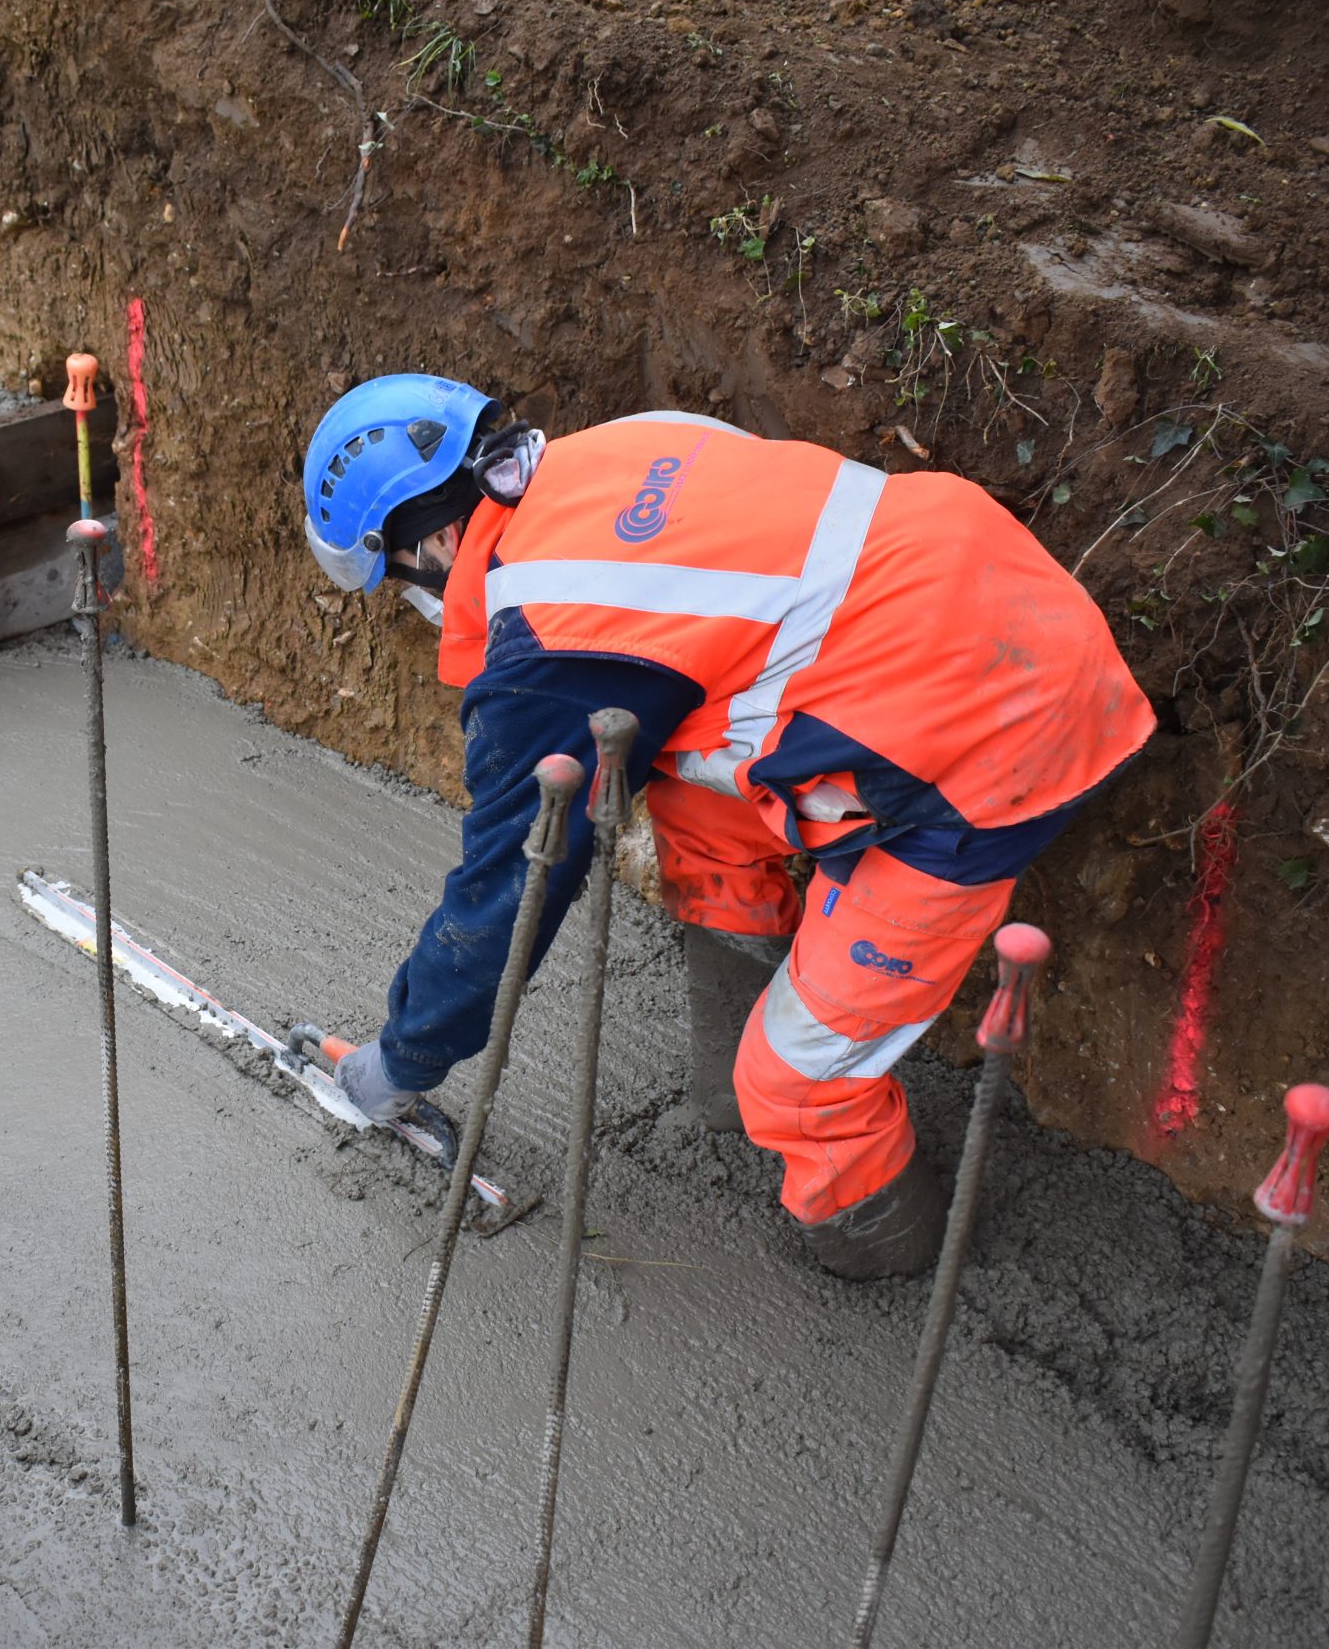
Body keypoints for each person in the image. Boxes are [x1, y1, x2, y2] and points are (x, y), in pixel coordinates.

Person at [302, 375, 1153, 1278]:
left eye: (394, 582)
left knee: (793, 1080)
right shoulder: (616, 447)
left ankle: (884, 1240)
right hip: (992, 594)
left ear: (429, 544)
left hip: (980, 725)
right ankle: (731, 1070)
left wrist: (400, 1061)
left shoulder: (550, 632)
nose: (410, 602)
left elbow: (512, 885)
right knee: (679, 777)